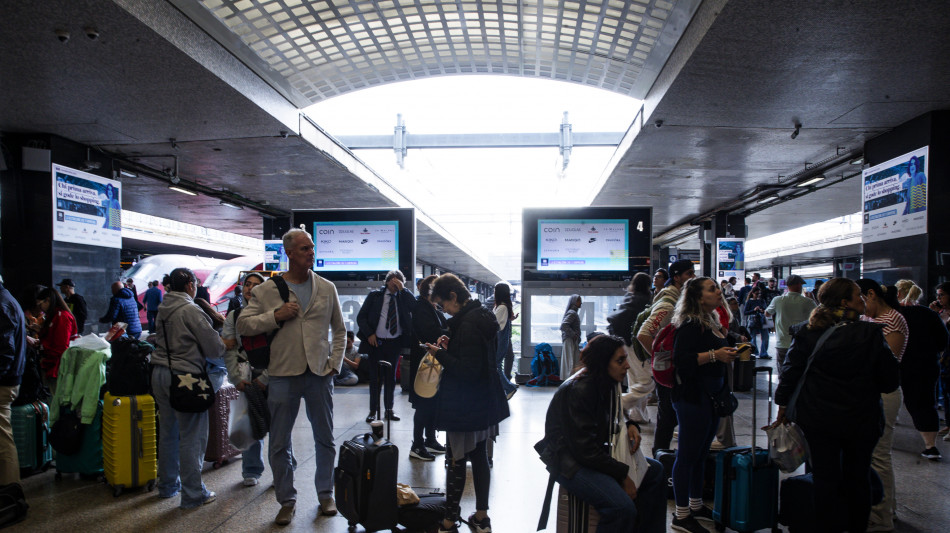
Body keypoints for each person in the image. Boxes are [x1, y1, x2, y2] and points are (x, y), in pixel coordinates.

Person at [772, 278, 899, 533]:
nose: (863, 299)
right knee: (858, 478)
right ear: (845, 302)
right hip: (861, 419)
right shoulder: (870, 334)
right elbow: (890, 381)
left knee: (824, 478)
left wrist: (782, 404)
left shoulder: (806, 332)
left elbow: (790, 373)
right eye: (858, 295)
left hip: (818, 419)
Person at [237, 228, 346, 526]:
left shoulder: (326, 287)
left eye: (311, 247)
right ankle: (287, 499)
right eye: (304, 249)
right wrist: (275, 316)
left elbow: (339, 330)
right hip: (283, 373)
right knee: (279, 442)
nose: (311, 252)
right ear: (289, 253)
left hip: (319, 374)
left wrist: (335, 364)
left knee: (325, 438)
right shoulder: (267, 290)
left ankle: (326, 494)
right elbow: (244, 325)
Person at [535, 334, 667, 533]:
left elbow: (614, 414)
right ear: (603, 363)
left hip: (590, 454)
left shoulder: (604, 382)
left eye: (625, 359)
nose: (627, 366)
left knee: (656, 471)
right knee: (620, 508)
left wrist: (631, 424)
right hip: (569, 462)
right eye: (620, 361)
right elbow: (585, 451)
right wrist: (623, 474)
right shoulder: (580, 390)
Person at [424, 273, 509, 533]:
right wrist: (453, 347)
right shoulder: (482, 315)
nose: (445, 311)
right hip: (484, 401)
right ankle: (481, 518)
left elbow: (467, 371)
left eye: (444, 305)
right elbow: (477, 358)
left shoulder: (468, 324)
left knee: (456, 460)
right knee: (480, 457)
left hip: (465, 404)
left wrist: (440, 354)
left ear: (453, 297)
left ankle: (449, 522)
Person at [669, 277, 738, 533]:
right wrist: (714, 355)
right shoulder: (690, 325)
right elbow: (681, 361)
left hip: (710, 397)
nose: (718, 291)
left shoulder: (711, 321)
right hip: (693, 398)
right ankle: (681, 515)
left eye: (717, 287)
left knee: (700, 454)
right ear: (698, 298)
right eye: (712, 289)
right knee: (687, 455)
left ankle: (696, 506)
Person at [151, 267, 224, 509]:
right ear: (191, 285)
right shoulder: (190, 310)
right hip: (186, 377)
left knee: (168, 432)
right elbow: (214, 348)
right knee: (192, 436)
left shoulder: (163, 308)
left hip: (159, 374)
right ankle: (193, 494)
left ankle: (167, 486)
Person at [856, 279, 908, 532]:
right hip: (867, 391)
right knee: (872, 455)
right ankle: (887, 508)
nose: (858, 304)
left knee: (879, 455)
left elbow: (890, 361)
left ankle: (880, 517)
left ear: (871, 294)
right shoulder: (867, 318)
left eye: (860, 298)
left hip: (884, 393)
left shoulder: (893, 319)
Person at [637, 259, 695, 455]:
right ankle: (659, 457)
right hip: (668, 374)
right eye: (688, 273)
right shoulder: (668, 304)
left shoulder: (679, 299)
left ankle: (662, 456)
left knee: (670, 417)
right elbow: (644, 334)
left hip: (674, 372)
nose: (693, 277)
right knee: (667, 418)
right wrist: (661, 362)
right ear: (677, 277)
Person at [221, 272, 268, 487]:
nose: (250, 288)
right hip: (246, 375)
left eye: (256, 285)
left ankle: (284, 470)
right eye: (247, 284)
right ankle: (251, 470)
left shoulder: (273, 314)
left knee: (279, 426)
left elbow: (280, 349)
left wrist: (267, 377)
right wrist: (235, 378)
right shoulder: (234, 315)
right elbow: (229, 348)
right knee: (248, 422)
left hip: (271, 375)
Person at [895, 284, 948, 460]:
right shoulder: (929, 313)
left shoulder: (894, 314)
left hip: (900, 364)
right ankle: (930, 446)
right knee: (925, 403)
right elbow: (943, 340)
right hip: (927, 365)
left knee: (890, 400)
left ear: (898, 293)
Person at [356, 269, 415, 422]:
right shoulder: (375, 296)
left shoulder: (403, 297)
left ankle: (389, 409)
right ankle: (373, 410)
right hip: (376, 342)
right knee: (375, 378)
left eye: (398, 282)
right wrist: (369, 333)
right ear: (387, 281)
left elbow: (415, 307)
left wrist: (403, 289)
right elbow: (361, 317)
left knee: (391, 378)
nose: (395, 284)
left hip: (395, 343)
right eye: (393, 281)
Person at [408, 275, 448, 461]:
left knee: (432, 402)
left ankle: (430, 439)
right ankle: (417, 445)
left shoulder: (431, 307)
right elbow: (431, 333)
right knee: (424, 404)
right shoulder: (421, 308)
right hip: (423, 364)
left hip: (432, 363)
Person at [615, 273, 654, 424]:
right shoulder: (644, 300)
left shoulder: (629, 297)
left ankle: (637, 415)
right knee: (647, 381)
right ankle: (621, 402)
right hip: (635, 345)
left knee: (634, 379)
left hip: (624, 343)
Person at [0, 280, 27, 485]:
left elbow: (4, 351)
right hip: (10, 378)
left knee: (3, 440)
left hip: (4, 381)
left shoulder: (2, 304)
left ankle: (10, 490)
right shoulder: (8, 300)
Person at [765, 274, 817, 375]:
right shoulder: (808, 301)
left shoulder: (778, 300)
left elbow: (767, 313)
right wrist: (813, 299)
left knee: (783, 373)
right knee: (800, 373)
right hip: (801, 344)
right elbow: (819, 315)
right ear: (798, 285)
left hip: (782, 344)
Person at [36, 287, 78, 394]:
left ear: (48, 300)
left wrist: (46, 361)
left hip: (58, 366)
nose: (40, 309)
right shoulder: (54, 316)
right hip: (52, 364)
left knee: (58, 398)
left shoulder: (62, 316)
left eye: (40, 304)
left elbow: (61, 347)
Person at [493, 282, 518, 399]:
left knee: (495, 365)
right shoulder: (502, 306)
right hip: (501, 340)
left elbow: (495, 325)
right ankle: (503, 388)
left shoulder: (502, 307)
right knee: (497, 365)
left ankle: (509, 388)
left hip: (500, 340)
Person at [559, 295, 582, 380]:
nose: (581, 303)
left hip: (570, 339)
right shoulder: (572, 313)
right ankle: (570, 380)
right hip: (570, 340)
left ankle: (569, 379)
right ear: (574, 302)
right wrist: (573, 334)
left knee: (570, 361)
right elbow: (564, 325)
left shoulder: (572, 312)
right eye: (579, 301)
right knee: (571, 361)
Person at [743, 287, 770, 358]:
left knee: (765, 337)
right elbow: (745, 312)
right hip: (753, 320)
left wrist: (762, 310)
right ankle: (755, 353)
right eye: (756, 293)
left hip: (762, 319)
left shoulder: (762, 300)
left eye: (759, 293)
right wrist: (754, 310)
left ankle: (763, 353)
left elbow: (766, 309)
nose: (758, 295)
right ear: (752, 293)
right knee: (753, 338)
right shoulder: (749, 301)